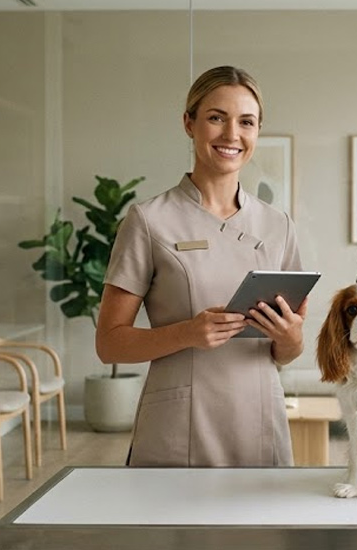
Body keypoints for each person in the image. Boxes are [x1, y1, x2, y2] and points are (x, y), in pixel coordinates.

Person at [97, 66, 307, 467]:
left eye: (246, 122)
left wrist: (288, 336)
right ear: (189, 124)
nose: (232, 135)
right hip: (180, 425)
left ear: (257, 131)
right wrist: (189, 333)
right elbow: (109, 344)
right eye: (216, 118)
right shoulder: (148, 220)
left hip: (260, 423)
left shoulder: (277, 225)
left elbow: (288, 350)